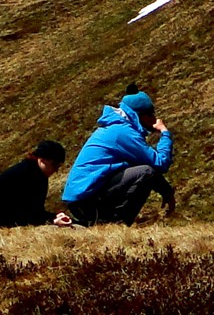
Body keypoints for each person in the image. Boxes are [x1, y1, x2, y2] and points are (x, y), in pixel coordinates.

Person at [60, 84, 175, 225]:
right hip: (86, 200)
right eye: (151, 115)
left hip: (82, 198)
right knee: (146, 172)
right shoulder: (124, 133)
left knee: (143, 169)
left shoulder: (117, 128)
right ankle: (115, 224)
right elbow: (160, 163)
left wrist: (166, 191)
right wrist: (164, 133)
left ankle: (104, 222)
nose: (154, 119)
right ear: (140, 115)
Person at [0, 140, 75, 228]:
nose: (56, 170)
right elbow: (26, 213)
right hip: (3, 224)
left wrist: (56, 216)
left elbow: (34, 211)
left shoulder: (37, 173)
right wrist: (53, 219)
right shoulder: (25, 175)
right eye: (54, 164)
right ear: (42, 159)